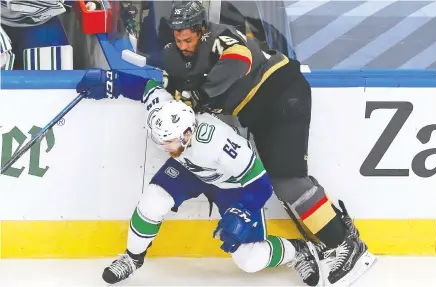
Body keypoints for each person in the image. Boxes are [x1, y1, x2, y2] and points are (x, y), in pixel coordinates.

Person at [151, 1, 375, 286]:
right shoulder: (174, 55)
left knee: (289, 181)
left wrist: (200, 95)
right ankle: (328, 239)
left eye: (188, 38)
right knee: (280, 182)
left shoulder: (221, 37)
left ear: (202, 29)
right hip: (257, 112)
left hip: (281, 92)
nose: (182, 44)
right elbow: (171, 94)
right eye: (178, 38)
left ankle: (346, 244)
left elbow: (240, 59)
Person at [88, 79, 323, 286]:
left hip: (232, 185)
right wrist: (111, 82)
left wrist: (241, 211)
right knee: (152, 201)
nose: (163, 147)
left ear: (187, 134)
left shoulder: (221, 142)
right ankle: (132, 258)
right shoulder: (165, 111)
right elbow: (147, 86)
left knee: (249, 260)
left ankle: (297, 251)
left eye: (168, 142)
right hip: (190, 171)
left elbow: (261, 185)